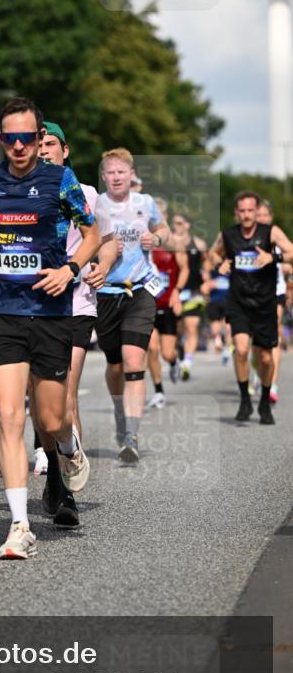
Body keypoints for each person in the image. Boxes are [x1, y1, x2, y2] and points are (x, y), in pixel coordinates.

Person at [0, 97, 100, 559]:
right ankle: (19, 527)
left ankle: (68, 445)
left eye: (27, 138)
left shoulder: (61, 179)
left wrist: (71, 268)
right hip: (3, 311)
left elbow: (92, 231)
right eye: (10, 138)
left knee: (51, 418)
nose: (18, 146)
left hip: (52, 312)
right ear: (0, 139)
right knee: (11, 415)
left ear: (41, 140)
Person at [33, 120, 117, 518]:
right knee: (41, 400)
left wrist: (102, 267)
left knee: (65, 396)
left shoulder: (85, 194)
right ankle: (53, 478)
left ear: (65, 152)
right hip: (30, 307)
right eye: (39, 143)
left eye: (52, 144)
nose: (45, 149)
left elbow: (109, 238)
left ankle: (64, 490)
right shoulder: (21, 194)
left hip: (76, 304)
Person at [95, 148, 170, 463]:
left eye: (121, 172)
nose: (116, 177)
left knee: (134, 360)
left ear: (131, 174)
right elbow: (82, 240)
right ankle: (119, 411)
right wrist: (104, 244)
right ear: (103, 176)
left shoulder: (145, 203)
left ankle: (132, 436)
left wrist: (158, 240)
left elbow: (163, 229)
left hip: (139, 290)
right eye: (110, 172)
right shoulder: (95, 204)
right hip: (106, 293)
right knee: (115, 365)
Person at [209, 190, 293, 425]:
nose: (246, 215)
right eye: (242, 211)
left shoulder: (271, 232)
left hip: (265, 303)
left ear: (257, 212)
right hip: (239, 302)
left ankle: (264, 400)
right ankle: (245, 399)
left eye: (250, 211)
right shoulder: (228, 234)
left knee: (265, 358)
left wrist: (272, 258)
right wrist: (221, 263)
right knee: (242, 349)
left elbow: (291, 252)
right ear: (237, 213)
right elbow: (212, 254)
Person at [146, 231, 189, 408]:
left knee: (167, 353)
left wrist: (177, 291)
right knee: (152, 348)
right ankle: (158, 392)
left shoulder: (174, 245)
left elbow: (185, 269)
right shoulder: (144, 243)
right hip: (148, 304)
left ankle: (173, 362)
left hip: (168, 304)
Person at [255, 199, 289, 403]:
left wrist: (282, 263)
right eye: (257, 215)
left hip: (275, 292)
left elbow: (290, 254)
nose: (261, 219)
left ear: (271, 217)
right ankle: (260, 375)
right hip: (250, 296)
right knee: (255, 345)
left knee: (273, 335)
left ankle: (272, 385)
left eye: (264, 215)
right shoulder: (244, 237)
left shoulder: (277, 237)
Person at [170, 212, 208, 380]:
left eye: (179, 223)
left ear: (187, 225)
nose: (176, 226)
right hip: (173, 293)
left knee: (192, 326)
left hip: (194, 291)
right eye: (174, 223)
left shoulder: (198, 244)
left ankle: (187, 362)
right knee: (177, 330)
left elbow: (207, 262)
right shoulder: (168, 243)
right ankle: (178, 354)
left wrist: (207, 278)